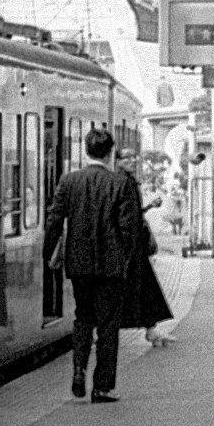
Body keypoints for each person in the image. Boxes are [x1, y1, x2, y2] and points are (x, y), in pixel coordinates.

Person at [44, 127, 144, 402]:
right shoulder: (120, 184)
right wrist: (123, 258)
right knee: (108, 326)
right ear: (111, 153)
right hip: (110, 268)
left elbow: (54, 220)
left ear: (86, 151)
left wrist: (48, 255)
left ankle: (78, 369)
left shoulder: (69, 181)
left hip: (79, 265)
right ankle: (102, 387)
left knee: (83, 317)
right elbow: (129, 229)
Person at [116, 150, 177, 346]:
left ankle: (151, 329)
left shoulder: (125, 181)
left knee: (143, 288)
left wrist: (148, 207)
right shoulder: (123, 182)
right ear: (117, 161)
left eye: (133, 157)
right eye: (126, 158)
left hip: (133, 245)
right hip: (130, 246)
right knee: (142, 289)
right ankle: (150, 329)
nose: (131, 161)